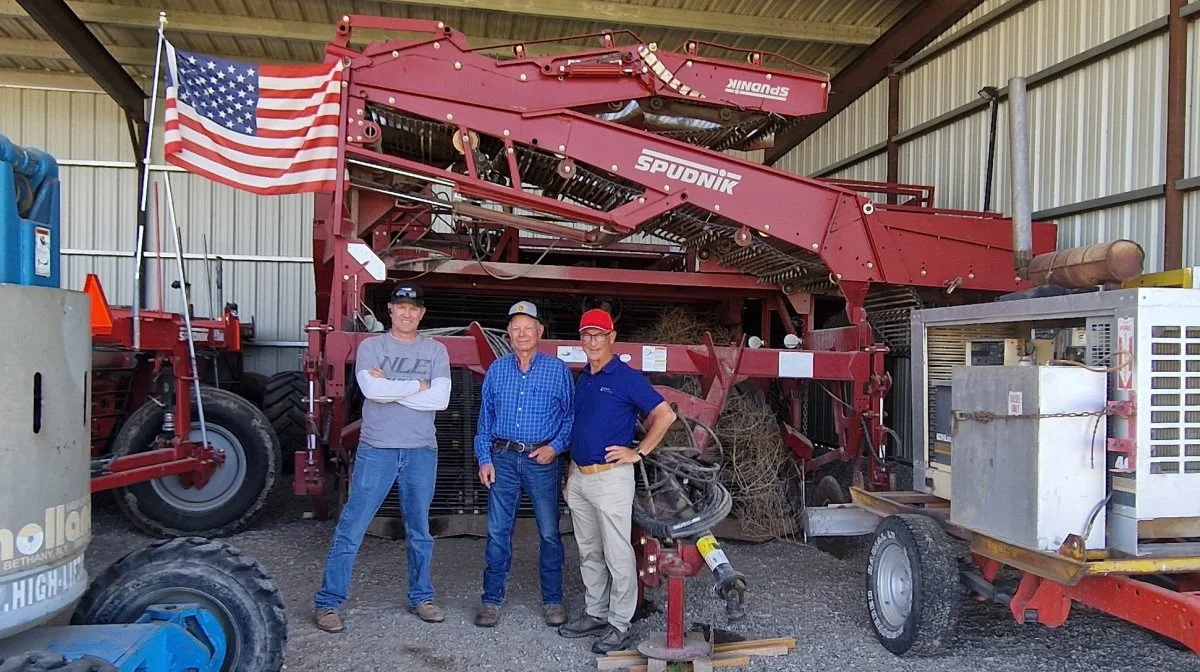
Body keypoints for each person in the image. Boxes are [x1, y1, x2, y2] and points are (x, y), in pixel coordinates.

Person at [313, 283, 451, 633]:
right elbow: (372, 391)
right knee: (352, 526)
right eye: (401, 307)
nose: (407, 313)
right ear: (390, 310)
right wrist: (417, 386)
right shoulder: (372, 346)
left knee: (420, 530)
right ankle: (328, 603)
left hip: (421, 450)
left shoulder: (436, 350)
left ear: (422, 314)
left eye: (413, 308)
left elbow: (440, 400)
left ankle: (422, 597)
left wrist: (392, 388)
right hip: (378, 450)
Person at [558, 308, 677, 654]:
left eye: (599, 335)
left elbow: (665, 414)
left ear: (612, 338)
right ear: (581, 340)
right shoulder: (585, 377)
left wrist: (638, 452)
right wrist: (571, 475)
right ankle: (596, 612)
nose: (592, 341)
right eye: (586, 335)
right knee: (589, 550)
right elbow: (580, 430)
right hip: (581, 476)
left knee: (617, 553)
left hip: (611, 478)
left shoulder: (625, 376)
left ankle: (619, 624)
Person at [472, 301, 574, 628]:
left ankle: (553, 600)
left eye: (527, 327)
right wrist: (484, 458)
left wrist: (555, 448)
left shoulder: (557, 370)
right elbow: (485, 419)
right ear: (508, 334)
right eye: (516, 328)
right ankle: (491, 600)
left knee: (548, 532)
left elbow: (570, 417)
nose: (521, 333)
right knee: (498, 532)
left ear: (539, 332)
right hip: (502, 458)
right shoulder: (498, 370)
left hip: (540, 460)